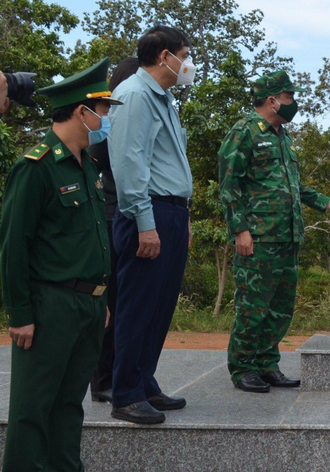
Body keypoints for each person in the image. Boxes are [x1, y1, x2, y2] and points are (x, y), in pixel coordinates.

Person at [0, 58, 121, 471]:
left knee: (70, 405)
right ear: (80, 111)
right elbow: (14, 245)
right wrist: (19, 312)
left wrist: (100, 297)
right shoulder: (35, 167)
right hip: (49, 304)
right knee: (33, 409)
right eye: (102, 111)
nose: (105, 119)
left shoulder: (89, 167)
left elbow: (90, 239)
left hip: (89, 306)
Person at [218, 70, 330, 393]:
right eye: (289, 98)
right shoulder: (244, 132)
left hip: (287, 236)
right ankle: (242, 368)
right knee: (253, 307)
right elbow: (229, 185)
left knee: (280, 308)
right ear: (273, 100)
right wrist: (240, 230)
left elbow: (293, 186)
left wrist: (326, 203)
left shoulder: (282, 136)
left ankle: (267, 364)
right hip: (259, 237)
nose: (293, 104)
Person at [108, 25, 196, 424]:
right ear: (165, 56)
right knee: (137, 304)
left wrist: (183, 217)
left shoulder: (163, 98)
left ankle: (144, 382)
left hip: (171, 212)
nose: (188, 62)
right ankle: (124, 391)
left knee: (159, 305)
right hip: (148, 212)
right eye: (185, 53)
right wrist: (145, 223)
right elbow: (130, 166)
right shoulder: (134, 95)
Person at [88, 57, 141, 404]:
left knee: (128, 303)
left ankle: (125, 374)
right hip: (111, 216)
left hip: (131, 215)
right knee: (112, 302)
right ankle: (102, 378)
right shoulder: (106, 122)